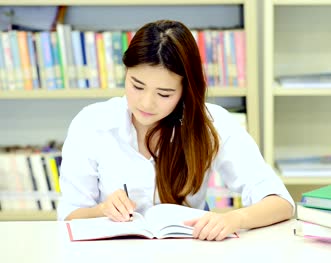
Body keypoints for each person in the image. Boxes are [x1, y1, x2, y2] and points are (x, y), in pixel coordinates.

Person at [57, 20, 294, 241]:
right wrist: (102, 210)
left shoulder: (213, 123)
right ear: (126, 73)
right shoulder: (91, 123)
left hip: (190, 252)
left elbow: (281, 203)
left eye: (164, 94)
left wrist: (234, 218)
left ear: (185, 90)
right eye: (137, 85)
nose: (146, 103)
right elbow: (68, 216)